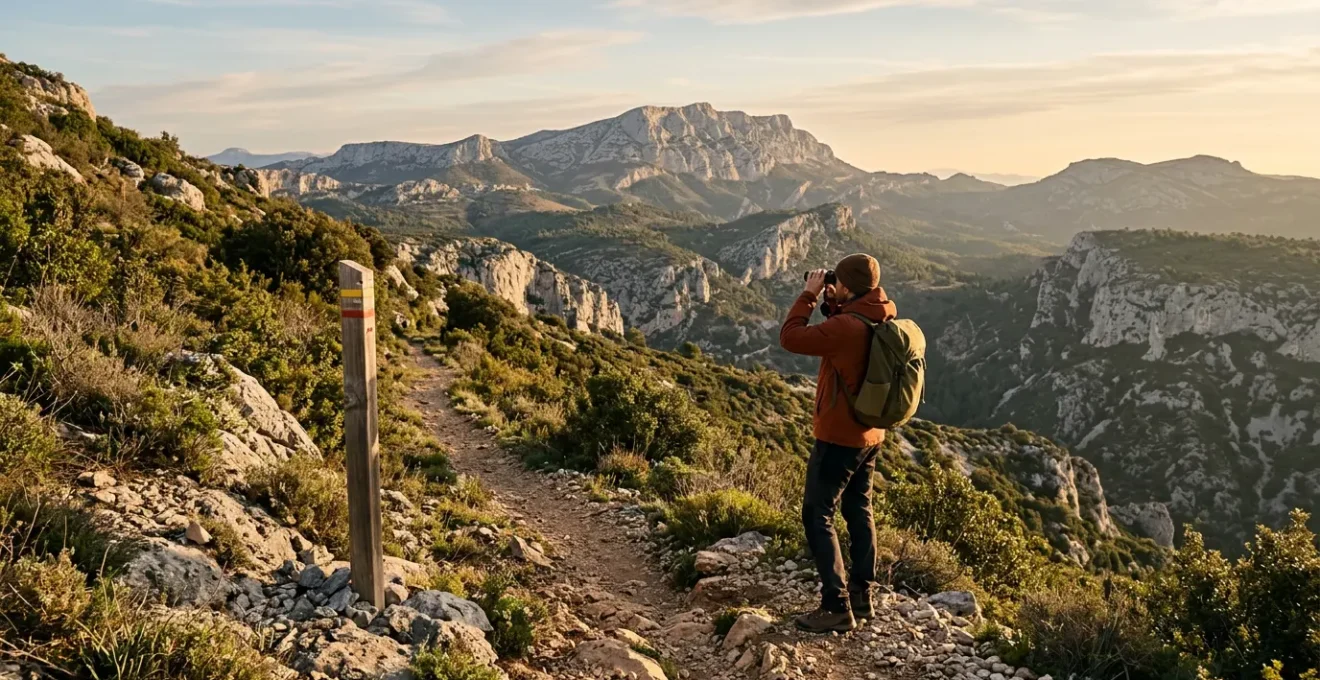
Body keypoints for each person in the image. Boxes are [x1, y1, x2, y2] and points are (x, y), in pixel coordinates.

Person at [779, 253, 897, 633]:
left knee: (817, 515)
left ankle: (836, 606)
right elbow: (847, 329)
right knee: (859, 510)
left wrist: (809, 297)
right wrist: (835, 301)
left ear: (847, 285)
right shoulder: (880, 311)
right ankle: (862, 597)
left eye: (837, 281)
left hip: (839, 436)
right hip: (870, 434)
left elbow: (791, 337)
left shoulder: (847, 326)